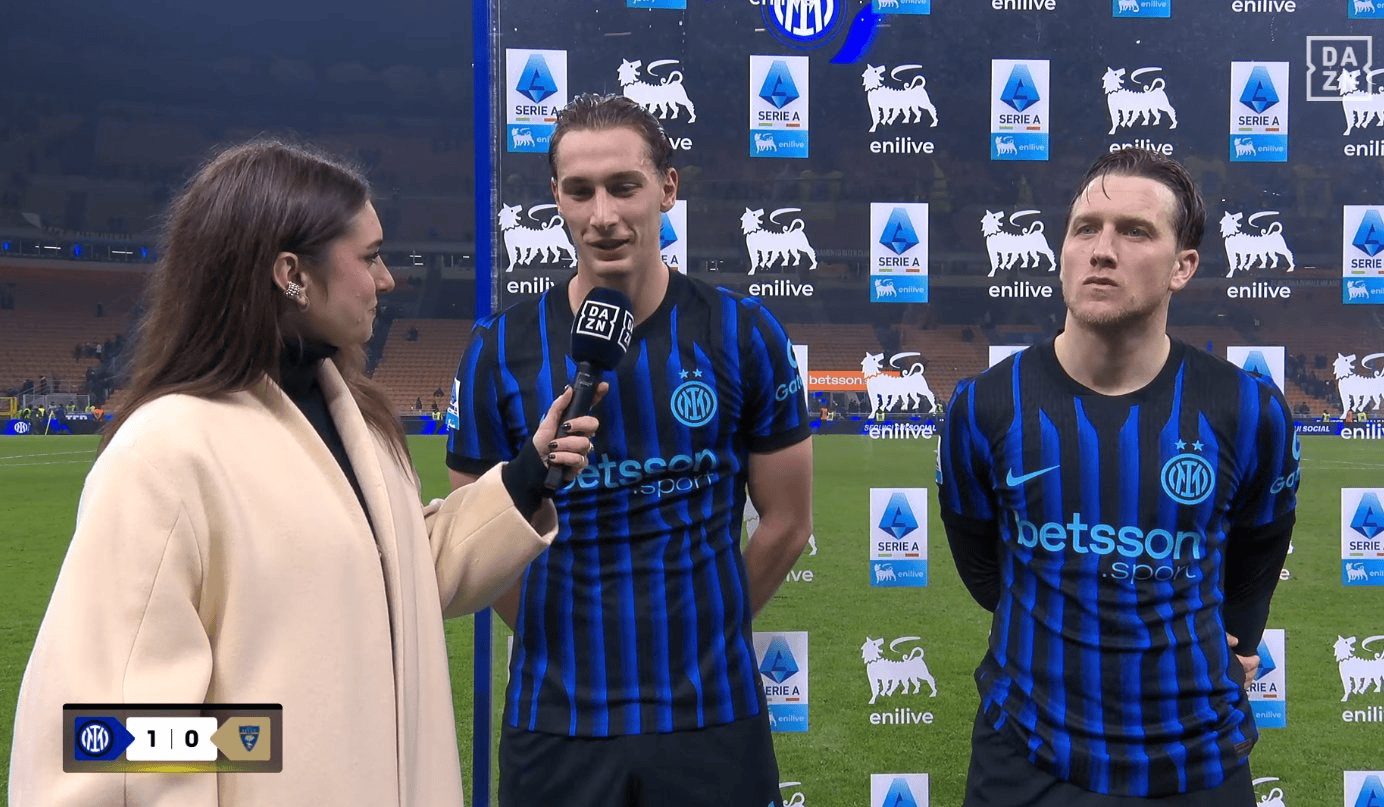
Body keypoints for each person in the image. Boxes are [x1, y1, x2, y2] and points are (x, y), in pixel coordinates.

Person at [9, 140, 601, 807]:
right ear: (291, 274)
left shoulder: (362, 421)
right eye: (370, 257)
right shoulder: (167, 451)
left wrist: (526, 477)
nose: (387, 281)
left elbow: (399, 575)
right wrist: (267, 750)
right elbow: (113, 738)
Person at [447, 94, 813, 807]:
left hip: (712, 714)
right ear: (555, 197)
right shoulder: (499, 349)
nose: (602, 215)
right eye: (579, 190)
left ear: (667, 188)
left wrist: (707, 627)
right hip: (557, 719)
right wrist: (558, 633)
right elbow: (471, 534)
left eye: (624, 186)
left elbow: (788, 521)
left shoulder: (741, 331)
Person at [938, 148, 1299, 807]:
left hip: (1197, 760)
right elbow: (986, 570)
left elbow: (1257, 559)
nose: (1101, 250)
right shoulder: (985, 404)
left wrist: (1227, 643)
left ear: (1182, 266)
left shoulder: (1248, 411)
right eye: (1085, 228)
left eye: (1134, 231)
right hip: (1027, 758)